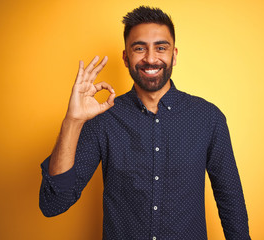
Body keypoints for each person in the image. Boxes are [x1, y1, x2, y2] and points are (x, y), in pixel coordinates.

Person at [39, 6, 251, 240]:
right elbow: (53, 203)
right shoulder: (103, 119)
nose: (151, 58)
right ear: (126, 57)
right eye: (139, 48)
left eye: (161, 47)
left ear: (174, 55)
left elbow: (231, 201)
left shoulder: (208, 118)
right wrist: (72, 121)